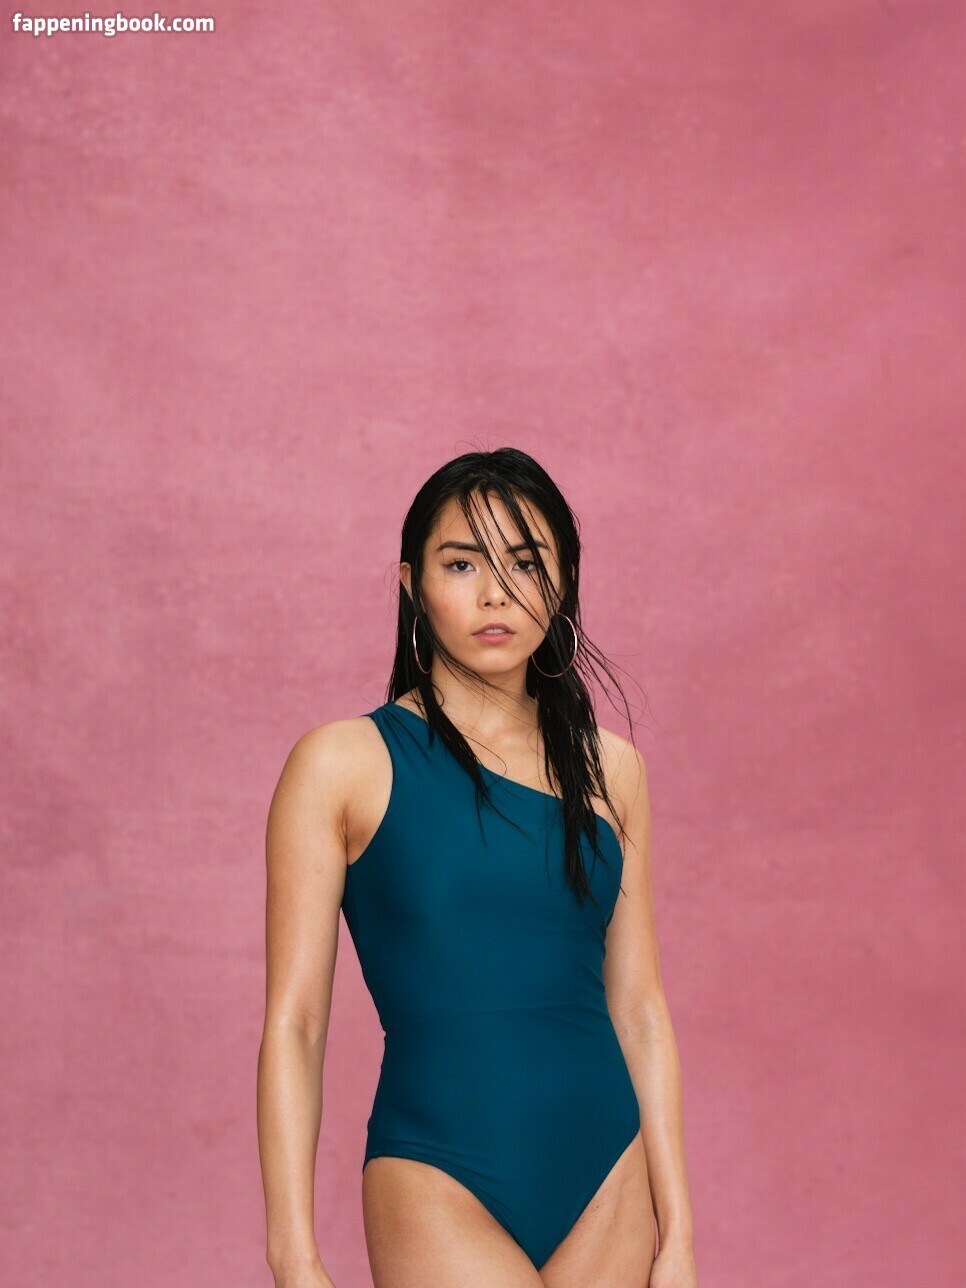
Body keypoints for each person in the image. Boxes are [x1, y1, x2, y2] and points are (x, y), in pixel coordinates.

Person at [257, 448, 698, 1287]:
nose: (496, 593)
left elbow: (640, 1009)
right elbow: (297, 1022)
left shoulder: (614, 771)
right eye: (462, 564)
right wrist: (294, 1256)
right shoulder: (342, 764)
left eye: (525, 564)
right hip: (439, 1171)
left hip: (610, 1168)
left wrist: (678, 1234)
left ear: (563, 581)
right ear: (411, 583)